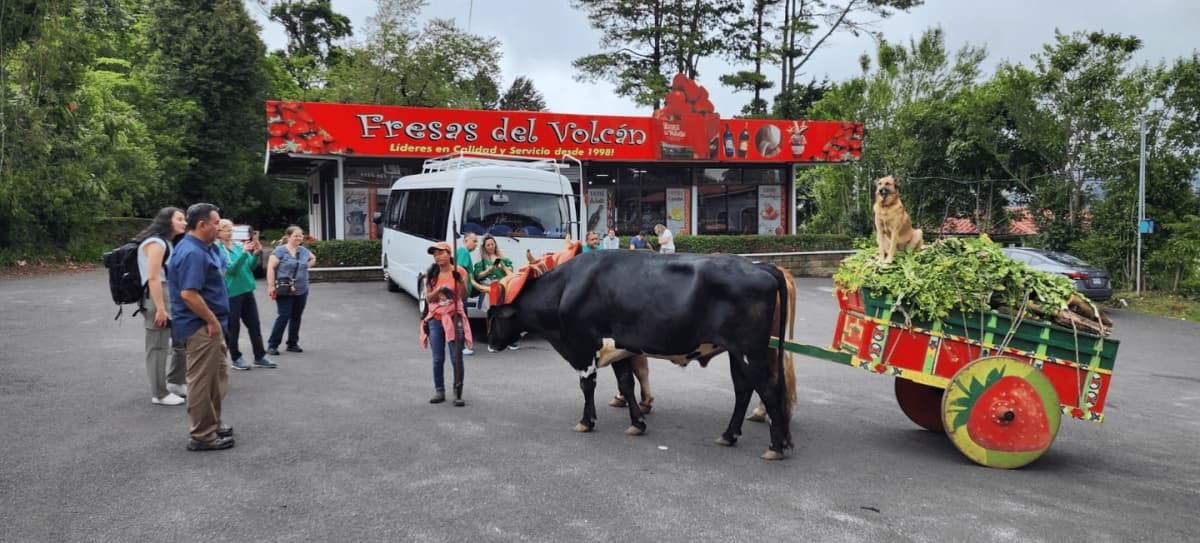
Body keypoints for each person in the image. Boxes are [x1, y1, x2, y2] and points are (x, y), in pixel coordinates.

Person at [169, 203, 234, 451]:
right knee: (202, 381)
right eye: (216, 223)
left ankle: (211, 424)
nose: (219, 227)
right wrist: (211, 320)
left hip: (209, 325)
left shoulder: (201, 248)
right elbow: (189, 293)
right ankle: (202, 435)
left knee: (216, 377)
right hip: (201, 326)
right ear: (201, 224)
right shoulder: (192, 252)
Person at [135, 206, 188, 406]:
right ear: (167, 221)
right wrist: (160, 309)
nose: (184, 222)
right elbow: (153, 277)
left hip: (169, 294)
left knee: (181, 341)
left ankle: (175, 382)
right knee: (158, 346)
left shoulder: (167, 242)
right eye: (179, 219)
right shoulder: (156, 243)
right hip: (157, 295)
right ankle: (159, 393)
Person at [216, 219, 274, 371]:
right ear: (218, 232)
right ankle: (236, 357)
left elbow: (251, 266)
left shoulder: (237, 245)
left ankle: (259, 356)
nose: (229, 232)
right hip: (232, 292)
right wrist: (243, 254)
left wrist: (255, 254)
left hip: (247, 289)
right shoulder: (218, 249)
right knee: (233, 327)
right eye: (226, 229)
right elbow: (231, 270)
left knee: (254, 324)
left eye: (230, 229)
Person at [420, 241, 472, 406]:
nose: (438, 257)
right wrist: (439, 290)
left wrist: (460, 282)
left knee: (456, 357)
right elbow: (429, 298)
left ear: (449, 254)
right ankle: (439, 391)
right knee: (438, 358)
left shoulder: (460, 271)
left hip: (454, 316)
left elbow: (464, 295)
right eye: (435, 254)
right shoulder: (432, 274)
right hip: (436, 318)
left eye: (441, 253)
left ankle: (458, 393)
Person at [266, 226, 317, 356]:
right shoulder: (280, 251)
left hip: (301, 288)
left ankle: (292, 343)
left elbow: (313, 258)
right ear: (288, 237)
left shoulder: (303, 250)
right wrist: (271, 286)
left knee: (296, 316)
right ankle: (273, 345)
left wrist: (304, 267)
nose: (299, 238)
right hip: (285, 288)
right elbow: (271, 268)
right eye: (296, 236)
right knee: (283, 316)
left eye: (300, 235)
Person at [474, 234, 520, 352]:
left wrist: (503, 266)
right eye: (488, 245)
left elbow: (511, 273)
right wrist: (488, 270)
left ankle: (510, 340)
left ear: (495, 245)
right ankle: (492, 342)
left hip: (503, 289)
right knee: (491, 316)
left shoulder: (502, 257)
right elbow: (478, 275)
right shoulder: (481, 260)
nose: (490, 247)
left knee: (507, 315)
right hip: (489, 290)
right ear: (484, 247)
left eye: (492, 244)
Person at [455, 232, 484, 355]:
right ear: (466, 241)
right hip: (462, 293)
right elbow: (460, 271)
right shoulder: (464, 252)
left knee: (461, 319)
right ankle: (461, 347)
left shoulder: (463, 252)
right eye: (474, 241)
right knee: (461, 320)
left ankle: (460, 346)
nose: (476, 244)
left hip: (462, 293)